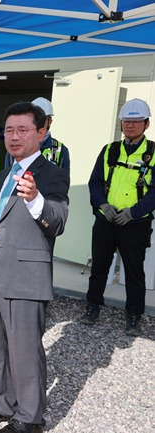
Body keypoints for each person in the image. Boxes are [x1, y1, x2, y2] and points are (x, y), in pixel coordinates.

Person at [0, 101, 69, 433]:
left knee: (25, 348)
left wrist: (36, 199)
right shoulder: (3, 173)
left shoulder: (52, 174)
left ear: (41, 132)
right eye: (9, 130)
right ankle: (4, 404)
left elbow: (58, 221)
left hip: (25, 274)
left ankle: (29, 418)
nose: (14, 136)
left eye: (22, 129)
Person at [82, 98, 155, 336]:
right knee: (99, 267)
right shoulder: (109, 150)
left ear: (146, 124)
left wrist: (133, 212)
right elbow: (94, 181)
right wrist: (103, 204)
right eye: (126, 121)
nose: (130, 125)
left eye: (136, 121)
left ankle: (134, 316)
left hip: (135, 223)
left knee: (134, 272)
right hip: (106, 220)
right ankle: (92, 307)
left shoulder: (152, 153)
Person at [4, 97, 70, 172]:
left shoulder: (60, 149)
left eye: (42, 119)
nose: (38, 123)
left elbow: (63, 180)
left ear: (50, 121)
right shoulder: (16, 145)